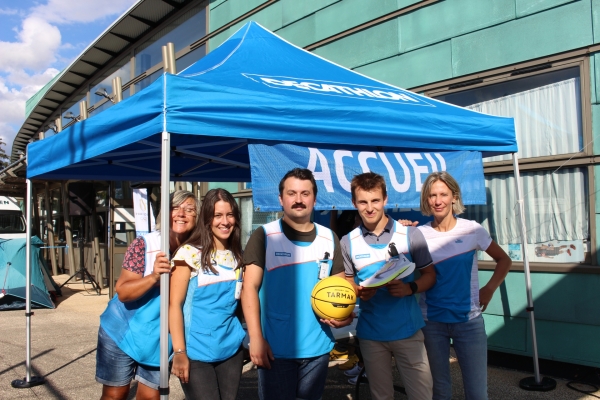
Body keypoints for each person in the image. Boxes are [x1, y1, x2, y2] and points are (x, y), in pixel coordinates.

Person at [241, 168, 353, 400]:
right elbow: (249, 288)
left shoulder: (329, 237)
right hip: (276, 349)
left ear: (314, 198)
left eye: (305, 193)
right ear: (281, 199)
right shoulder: (264, 235)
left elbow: (341, 288)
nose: (299, 200)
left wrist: (344, 316)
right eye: (292, 193)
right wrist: (256, 338)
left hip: (317, 347)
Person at [96, 190, 199, 400]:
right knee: (115, 395)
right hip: (123, 331)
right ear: (164, 213)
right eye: (175, 208)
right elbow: (123, 291)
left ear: (197, 218)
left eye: (189, 210)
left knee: (150, 397)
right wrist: (153, 277)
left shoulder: (197, 251)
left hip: (160, 338)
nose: (181, 214)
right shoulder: (144, 244)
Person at [341, 172, 436, 400]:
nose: (369, 207)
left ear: (385, 199)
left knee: (422, 395)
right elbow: (348, 283)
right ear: (354, 203)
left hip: (408, 330)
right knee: (381, 396)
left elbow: (431, 276)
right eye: (363, 202)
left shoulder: (410, 235)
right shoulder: (347, 241)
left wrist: (409, 288)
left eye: (375, 200)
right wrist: (360, 291)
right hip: (371, 334)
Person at [417, 171, 511, 400]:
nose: (438, 201)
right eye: (432, 195)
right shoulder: (418, 234)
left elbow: (504, 260)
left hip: (468, 322)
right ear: (426, 200)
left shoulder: (472, 229)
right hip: (432, 322)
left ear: (454, 196)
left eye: (443, 194)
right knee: (440, 391)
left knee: (477, 393)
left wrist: (488, 289)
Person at [169, 188, 246, 400]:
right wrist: (179, 353)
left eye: (230, 214)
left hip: (231, 349)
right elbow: (174, 305)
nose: (225, 221)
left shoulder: (237, 255)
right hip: (194, 352)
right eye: (217, 215)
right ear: (207, 219)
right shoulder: (188, 253)